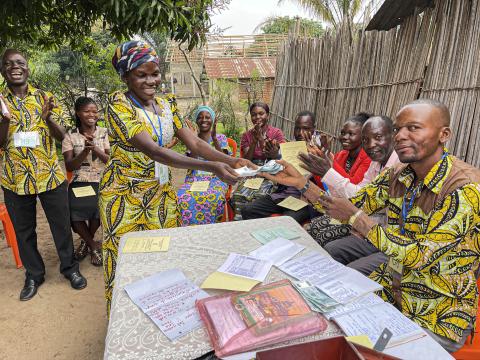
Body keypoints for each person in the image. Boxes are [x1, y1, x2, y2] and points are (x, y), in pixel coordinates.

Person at [260, 99, 480, 352]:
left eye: (414, 128)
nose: (401, 136)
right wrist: (302, 185)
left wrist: (358, 219)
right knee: (323, 319)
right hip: (393, 287)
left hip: (435, 312)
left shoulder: (464, 188)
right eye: (398, 129)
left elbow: (419, 256)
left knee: (362, 350)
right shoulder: (399, 174)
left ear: (444, 134)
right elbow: (351, 204)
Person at [100, 41, 252, 314]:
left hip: (160, 193)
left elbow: (195, 143)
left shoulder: (167, 103)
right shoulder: (118, 105)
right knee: (125, 262)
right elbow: (156, 151)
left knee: (160, 257)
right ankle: (122, 321)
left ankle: (158, 316)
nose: (151, 81)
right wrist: (212, 168)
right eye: (141, 75)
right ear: (126, 77)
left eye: (155, 73)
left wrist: (232, 160)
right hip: (124, 195)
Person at [0, 49, 87, 301]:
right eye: (8, 64)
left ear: (28, 68)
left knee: (60, 225)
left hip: (48, 174)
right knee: (24, 230)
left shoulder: (46, 97)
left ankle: (69, 268)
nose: (15, 67)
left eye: (20, 63)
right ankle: (34, 274)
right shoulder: (0, 101)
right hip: (14, 178)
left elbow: (63, 137)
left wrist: (48, 117)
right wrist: (4, 120)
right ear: (3, 70)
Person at [305, 116, 400, 274]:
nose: (371, 145)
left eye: (378, 137)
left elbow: (358, 197)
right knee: (315, 227)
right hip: (370, 224)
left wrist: (328, 171)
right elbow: (359, 195)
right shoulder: (372, 161)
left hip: (382, 232)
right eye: (366, 140)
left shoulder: (394, 164)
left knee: (329, 244)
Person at [241, 111, 316, 223]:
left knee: (287, 220)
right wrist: (275, 156)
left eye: (305, 128)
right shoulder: (287, 149)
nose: (300, 133)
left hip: (305, 201)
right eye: (297, 128)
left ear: (313, 129)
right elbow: (275, 172)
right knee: (248, 210)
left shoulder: (319, 152)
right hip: (283, 195)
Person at [62, 97, 109, 266]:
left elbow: (109, 160)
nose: (92, 114)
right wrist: (83, 152)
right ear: (78, 113)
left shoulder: (103, 132)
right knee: (74, 210)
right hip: (79, 180)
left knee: (97, 207)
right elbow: (69, 166)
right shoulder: (70, 136)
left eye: (94, 111)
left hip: (101, 179)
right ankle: (93, 245)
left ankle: (86, 242)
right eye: (87, 111)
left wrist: (94, 147)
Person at [177, 105, 231, 225]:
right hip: (195, 177)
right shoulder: (191, 140)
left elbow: (226, 161)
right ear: (196, 120)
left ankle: (211, 228)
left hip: (216, 177)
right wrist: (194, 139)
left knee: (214, 196)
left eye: (207, 117)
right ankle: (189, 229)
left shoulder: (220, 138)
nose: (204, 120)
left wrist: (214, 139)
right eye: (200, 117)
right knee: (182, 197)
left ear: (212, 120)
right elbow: (191, 163)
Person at [309, 112, 372, 186]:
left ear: (364, 137)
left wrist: (329, 158)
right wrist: (318, 155)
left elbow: (353, 186)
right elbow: (326, 184)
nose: (344, 137)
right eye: (342, 133)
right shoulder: (341, 155)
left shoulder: (369, 159)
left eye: (351, 134)